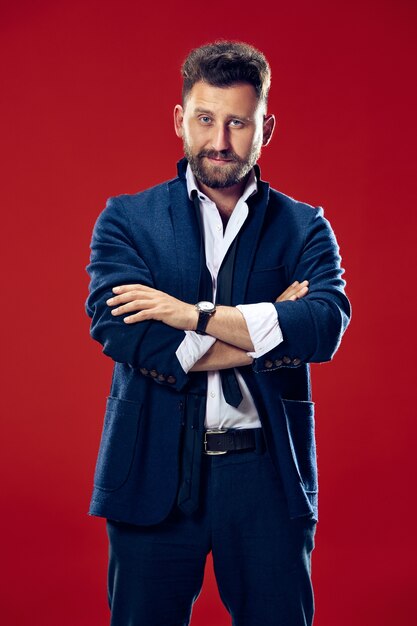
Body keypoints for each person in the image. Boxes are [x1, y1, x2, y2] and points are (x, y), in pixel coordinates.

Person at [85, 40, 351, 626]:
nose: (221, 141)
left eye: (238, 122)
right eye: (206, 119)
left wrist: (189, 315)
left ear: (267, 127)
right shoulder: (127, 220)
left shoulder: (305, 227)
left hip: (266, 479)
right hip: (151, 471)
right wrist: (266, 325)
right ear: (181, 119)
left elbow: (324, 324)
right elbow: (124, 334)